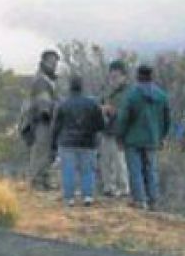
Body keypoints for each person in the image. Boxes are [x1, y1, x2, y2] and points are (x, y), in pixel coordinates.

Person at [113, 64, 171, 210]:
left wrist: (119, 136)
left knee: (135, 170)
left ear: (138, 76)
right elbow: (166, 119)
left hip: (132, 139)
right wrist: (162, 136)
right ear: (152, 76)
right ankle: (153, 200)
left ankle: (139, 200)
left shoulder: (132, 95)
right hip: (153, 139)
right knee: (151, 169)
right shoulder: (162, 96)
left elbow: (123, 118)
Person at [51, 75, 105, 206]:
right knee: (87, 170)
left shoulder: (63, 104)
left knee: (68, 170)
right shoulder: (93, 104)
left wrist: (53, 143)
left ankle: (69, 198)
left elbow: (56, 126)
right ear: (82, 87)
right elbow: (101, 125)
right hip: (88, 142)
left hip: (67, 142)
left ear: (70, 87)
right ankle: (88, 196)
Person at [24, 50, 61, 190]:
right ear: (44, 62)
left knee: (46, 152)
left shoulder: (48, 79)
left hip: (46, 120)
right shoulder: (42, 80)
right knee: (41, 150)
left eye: (56, 63)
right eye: (52, 62)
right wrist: (51, 113)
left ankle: (43, 180)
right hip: (41, 121)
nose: (54, 65)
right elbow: (43, 104)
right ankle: (37, 182)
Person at [98, 60, 130, 198]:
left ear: (124, 77)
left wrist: (112, 111)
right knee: (105, 161)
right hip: (107, 130)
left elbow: (126, 113)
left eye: (116, 77)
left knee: (119, 163)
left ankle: (123, 189)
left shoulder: (128, 93)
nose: (113, 80)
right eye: (111, 77)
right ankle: (108, 187)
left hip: (119, 133)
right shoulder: (108, 93)